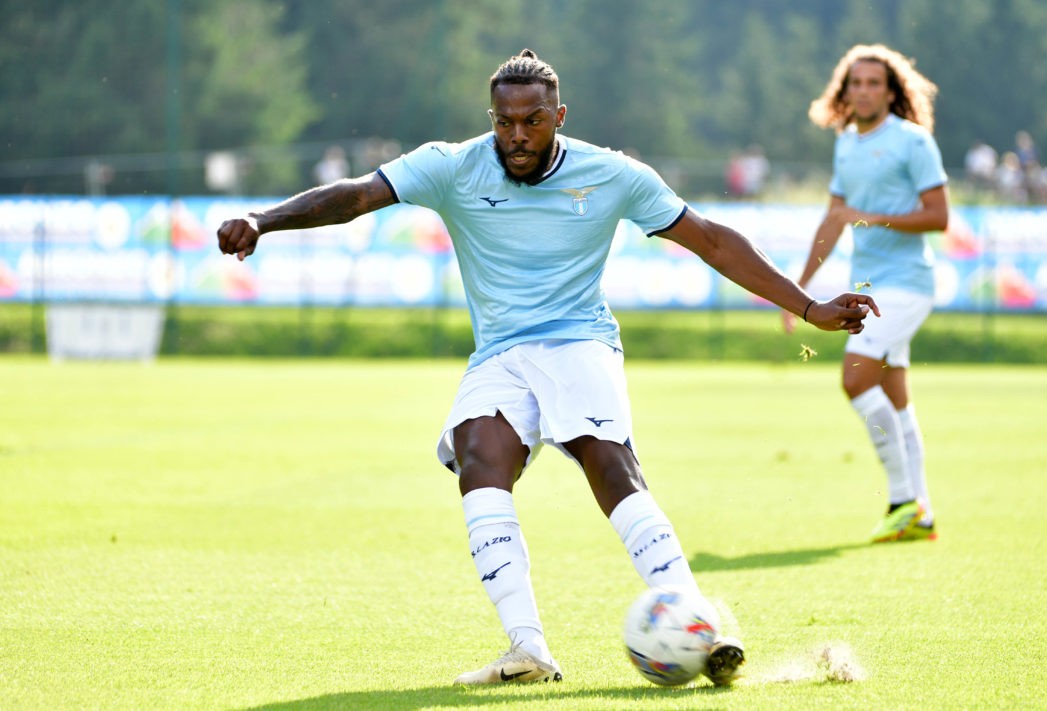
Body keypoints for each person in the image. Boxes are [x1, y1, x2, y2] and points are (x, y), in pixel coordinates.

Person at [218, 49, 877, 686]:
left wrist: (809, 304)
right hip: (500, 353)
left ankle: (694, 620)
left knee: (605, 458)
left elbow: (709, 239)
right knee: (479, 456)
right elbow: (357, 196)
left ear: (559, 116)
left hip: (579, 341)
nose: (516, 135)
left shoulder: (612, 173)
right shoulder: (453, 167)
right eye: (503, 121)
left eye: (532, 120)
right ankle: (527, 646)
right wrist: (262, 219)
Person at [784, 44, 948, 544]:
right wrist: (798, 289)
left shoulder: (912, 142)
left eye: (874, 83)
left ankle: (902, 501)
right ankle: (920, 513)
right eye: (855, 82)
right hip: (870, 286)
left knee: (855, 377)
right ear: (844, 90)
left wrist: (877, 217)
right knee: (896, 398)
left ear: (892, 91)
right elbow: (833, 220)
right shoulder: (846, 143)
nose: (863, 91)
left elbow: (939, 216)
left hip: (908, 284)